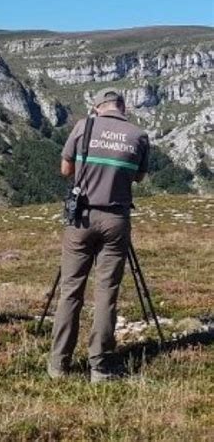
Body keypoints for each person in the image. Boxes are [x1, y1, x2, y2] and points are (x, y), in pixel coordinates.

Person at [48, 87, 149, 382]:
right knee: (107, 293)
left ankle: (59, 365)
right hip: (117, 218)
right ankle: (101, 367)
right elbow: (139, 177)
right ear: (122, 108)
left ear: (97, 107)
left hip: (82, 217)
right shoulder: (138, 135)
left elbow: (65, 169)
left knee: (71, 291)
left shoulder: (83, 127)